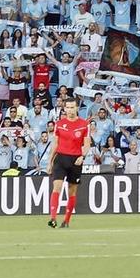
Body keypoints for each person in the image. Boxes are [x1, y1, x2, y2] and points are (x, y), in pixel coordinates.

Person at [45, 95, 90, 229]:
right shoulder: (59, 124)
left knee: (72, 191)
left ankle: (66, 220)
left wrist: (83, 156)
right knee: (57, 187)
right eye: (68, 108)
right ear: (64, 108)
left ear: (76, 108)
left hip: (76, 160)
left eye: (72, 107)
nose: (70, 110)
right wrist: (49, 162)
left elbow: (87, 144)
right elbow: (55, 144)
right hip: (61, 158)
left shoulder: (84, 124)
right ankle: (53, 218)